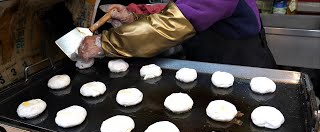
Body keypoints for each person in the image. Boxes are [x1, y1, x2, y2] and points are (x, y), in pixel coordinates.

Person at [78, 0, 277, 68]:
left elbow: (171, 25)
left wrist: (104, 43)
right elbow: (177, 11)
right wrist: (133, 20)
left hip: (244, 70)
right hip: (214, 66)